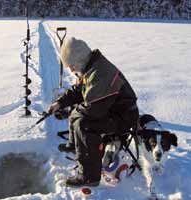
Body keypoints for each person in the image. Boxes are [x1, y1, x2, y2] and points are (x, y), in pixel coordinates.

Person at [48, 37, 139, 187]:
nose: (71, 70)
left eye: (72, 65)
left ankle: (89, 177)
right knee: (77, 113)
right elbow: (78, 90)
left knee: (84, 124)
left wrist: (76, 110)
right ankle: (75, 145)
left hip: (124, 117)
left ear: (81, 59)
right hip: (112, 110)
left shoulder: (100, 73)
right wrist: (60, 103)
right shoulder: (91, 66)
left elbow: (94, 111)